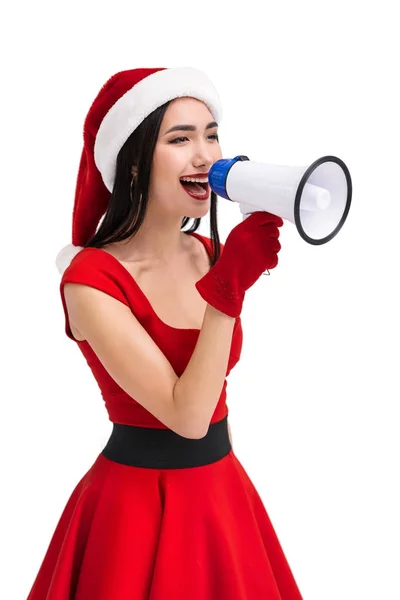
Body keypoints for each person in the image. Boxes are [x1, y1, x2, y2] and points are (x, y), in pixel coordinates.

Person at [27, 66, 303, 599]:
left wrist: (225, 276)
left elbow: (214, 400)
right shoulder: (89, 282)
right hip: (131, 514)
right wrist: (227, 290)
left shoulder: (208, 254)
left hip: (222, 496)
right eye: (180, 139)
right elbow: (187, 416)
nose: (206, 154)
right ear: (132, 164)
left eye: (212, 133)